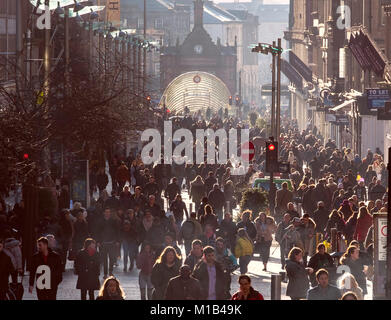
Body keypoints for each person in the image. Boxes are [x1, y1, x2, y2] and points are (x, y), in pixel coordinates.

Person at [96, 208, 120, 279]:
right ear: (104, 213)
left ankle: (110, 271)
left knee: (112, 258)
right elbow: (98, 232)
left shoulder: (113, 221)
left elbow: (117, 231)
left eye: (108, 212)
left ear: (110, 213)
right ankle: (105, 273)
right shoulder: (100, 221)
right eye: (106, 212)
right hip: (103, 243)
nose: (107, 213)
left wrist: (118, 241)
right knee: (104, 259)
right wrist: (98, 241)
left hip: (112, 242)